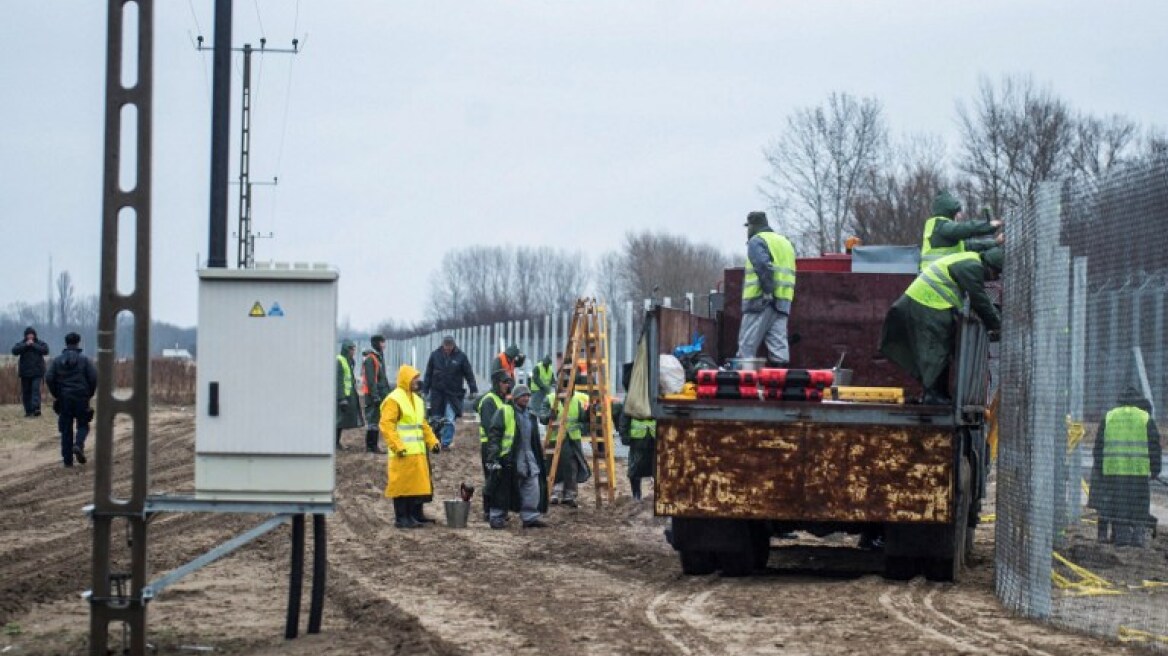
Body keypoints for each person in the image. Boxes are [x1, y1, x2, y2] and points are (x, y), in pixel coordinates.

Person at [879, 247, 1004, 405]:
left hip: (929, 303)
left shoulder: (970, 258)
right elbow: (979, 299)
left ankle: (938, 394)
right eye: (995, 273)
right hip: (927, 303)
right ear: (991, 267)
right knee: (935, 350)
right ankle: (933, 395)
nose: (993, 278)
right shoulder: (973, 267)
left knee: (939, 350)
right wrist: (998, 324)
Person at [1089, 386, 1162, 547]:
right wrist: (1155, 469)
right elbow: (1154, 445)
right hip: (1138, 471)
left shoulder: (1109, 417)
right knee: (1138, 505)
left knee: (1117, 505)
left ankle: (1121, 538)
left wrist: (1100, 468)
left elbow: (1098, 447)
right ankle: (1137, 539)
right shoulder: (1145, 418)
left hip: (1114, 471)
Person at [380, 365, 442, 529]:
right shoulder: (394, 399)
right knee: (402, 486)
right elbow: (387, 425)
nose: (417, 381)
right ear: (406, 379)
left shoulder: (417, 400)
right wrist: (397, 446)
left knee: (416, 485)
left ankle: (414, 515)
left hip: (417, 452)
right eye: (414, 378)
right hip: (402, 452)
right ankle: (402, 518)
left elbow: (423, 425)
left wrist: (433, 442)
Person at [736, 211, 796, 367]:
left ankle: (744, 388)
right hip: (783, 303)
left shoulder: (757, 241)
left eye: (748, 226)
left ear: (753, 226)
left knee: (746, 348)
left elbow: (763, 266)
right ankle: (780, 386)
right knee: (779, 349)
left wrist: (768, 291)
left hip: (761, 301)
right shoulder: (785, 242)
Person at [485, 384, 549, 529]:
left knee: (532, 486)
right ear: (515, 398)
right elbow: (494, 435)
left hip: (528, 457)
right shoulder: (504, 411)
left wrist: (540, 456)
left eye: (527, 395)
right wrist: (494, 457)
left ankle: (530, 517)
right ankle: (496, 517)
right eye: (522, 395)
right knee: (503, 489)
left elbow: (534, 439)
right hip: (509, 457)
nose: (526, 398)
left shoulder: (531, 416)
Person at [45, 332, 97, 468]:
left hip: (64, 398)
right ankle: (78, 445)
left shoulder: (57, 361)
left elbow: (49, 378)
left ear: (66, 343)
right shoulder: (85, 360)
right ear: (78, 343)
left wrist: (57, 394)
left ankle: (67, 461)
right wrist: (89, 394)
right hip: (81, 397)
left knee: (66, 429)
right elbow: (93, 378)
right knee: (83, 424)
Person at [919, 190, 1002, 271]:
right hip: (936, 276)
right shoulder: (942, 226)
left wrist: (995, 242)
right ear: (950, 212)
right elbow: (963, 229)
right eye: (957, 212)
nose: (960, 216)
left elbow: (968, 246)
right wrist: (988, 225)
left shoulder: (940, 227)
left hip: (936, 274)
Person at [422, 335, 478, 450]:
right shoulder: (435, 355)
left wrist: (473, 389)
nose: (447, 348)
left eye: (450, 346)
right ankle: (436, 440)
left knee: (449, 418)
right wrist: (425, 390)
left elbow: (469, 374)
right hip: (437, 393)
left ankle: (446, 443)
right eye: (446, 346)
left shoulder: (461, 357)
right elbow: (428, 374)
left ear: (453, 345)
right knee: (436, 419)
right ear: (443, 345)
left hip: (454, 393)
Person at [542, 386, 592, 507]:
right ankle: (553, 492)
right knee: (553, 466)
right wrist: (549, 415)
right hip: (554, 439)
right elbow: (542, 417)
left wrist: (590, 412)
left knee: (572, 466)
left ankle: (569, 494)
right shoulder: (550, 399)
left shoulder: (576, 401)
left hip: (572, 439)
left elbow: (582, 418)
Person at [476, 370, 513, 520]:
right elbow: (489, 427)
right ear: (497, 383)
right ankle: (488, 511)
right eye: (505, 382)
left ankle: (499, 510)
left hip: (500, 446)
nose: (507, 385)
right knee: (492, 478)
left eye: (508, 382)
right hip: (490, 447)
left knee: (501, 479)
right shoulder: (489, 401)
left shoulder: (502, 400)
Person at [618, 408, 656, 501]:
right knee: (637, 467)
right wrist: (624, 435)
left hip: (648, 437)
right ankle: (637, 496)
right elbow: (625, 416)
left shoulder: (636, 395)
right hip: (642, 437)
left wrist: (624, 435)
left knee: (655, 466)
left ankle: (638, 496)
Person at [361, 335, 390, 454]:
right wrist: (375, 396)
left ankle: (373, 446)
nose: (384, 345)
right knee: (373, 420)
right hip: (373, 395)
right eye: (383, 342)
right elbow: (371, 380)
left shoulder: (378, 357)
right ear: (377, 343)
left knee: (376, 419)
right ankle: (371, 446)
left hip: (379, 394)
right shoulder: (371, 358)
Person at [11, 326, 49, 417]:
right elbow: (14, 351)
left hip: (38, 372)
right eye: (28, 335)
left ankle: (36, 409)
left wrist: (33, 345)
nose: (30, 336)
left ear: (35, 335)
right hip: (25, 373)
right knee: (26, 392)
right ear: (25, 336)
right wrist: (26, 345)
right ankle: (28, 411)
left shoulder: (40, 343)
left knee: (36, 390)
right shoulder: (21, 343)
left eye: (32, 335)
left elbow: (46, 351)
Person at [335, 340, 364, 450]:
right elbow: (339, 380)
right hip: (342, 397)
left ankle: (337, 443)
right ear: (347, 349)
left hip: (348, 396)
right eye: (352, 349)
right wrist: (341, 398)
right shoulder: (340, 361)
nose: (354, 351)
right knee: (338, 421)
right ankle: (335, 443)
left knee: (341, 421)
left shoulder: (348, 361)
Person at [529, 354, 556, 424]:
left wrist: (554, 384)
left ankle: (542, 420)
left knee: (543, 406)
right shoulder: (537, 367)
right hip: (537, 390)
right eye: (545, 364)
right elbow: (535, 378)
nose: (546, 365)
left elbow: (552, 378)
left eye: (547, 364)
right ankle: (536, 422)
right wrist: (543, 386)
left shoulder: (550, 368)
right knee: (536, 408)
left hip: (545, 391)